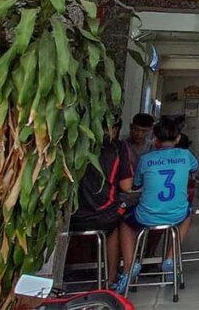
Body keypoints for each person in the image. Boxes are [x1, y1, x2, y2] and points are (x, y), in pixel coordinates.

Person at [115, 117, 198, 294]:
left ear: (155, 139)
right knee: (188, 215)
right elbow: (194, 168)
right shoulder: (185, 155)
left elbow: (136, 184)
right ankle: (170, 258)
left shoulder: (146, 159)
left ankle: (129, 266)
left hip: (147, 216)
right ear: (178, 138)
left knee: (124, 223)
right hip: (176, 215)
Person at [69, 118, 134, 286]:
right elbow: (126, 186)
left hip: (71, 217)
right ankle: (112, 276)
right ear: (115, 129)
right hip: (105, 216)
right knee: (120, 219)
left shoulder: (73, 140)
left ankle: (74, 267)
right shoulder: (118, 147)